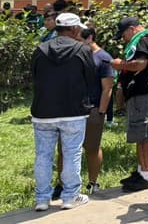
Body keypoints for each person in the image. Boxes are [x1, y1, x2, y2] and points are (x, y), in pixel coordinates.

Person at [31, 12, 97, 211]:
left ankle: (42, 199)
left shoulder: (40, 49)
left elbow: (34, 76)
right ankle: (70, 197)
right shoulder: (82, 49)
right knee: (71, 154)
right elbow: (91, 79)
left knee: (43, 155)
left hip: (43, 111)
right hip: (73, 111)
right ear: (75, 29)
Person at [112, 17, 148, 192]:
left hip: (144, 93)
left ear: (131, 29)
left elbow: (141, 64)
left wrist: (121, 65)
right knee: (139, 133)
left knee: (143, 135)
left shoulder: (145, 39)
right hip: (138, 94)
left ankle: (146, 175)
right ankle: (141, 170)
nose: (123, 39)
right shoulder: (146, 39)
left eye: (123, 35)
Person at [79, 27, 114, 195]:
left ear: (90, 37)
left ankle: (93, 182)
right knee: (64, 149)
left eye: (79, 39)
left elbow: (107, 88)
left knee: (92, 148)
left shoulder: (103, 58)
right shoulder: (76, 55)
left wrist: (101, 111)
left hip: (93, 109)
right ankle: (62, 184)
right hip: (73, 110)